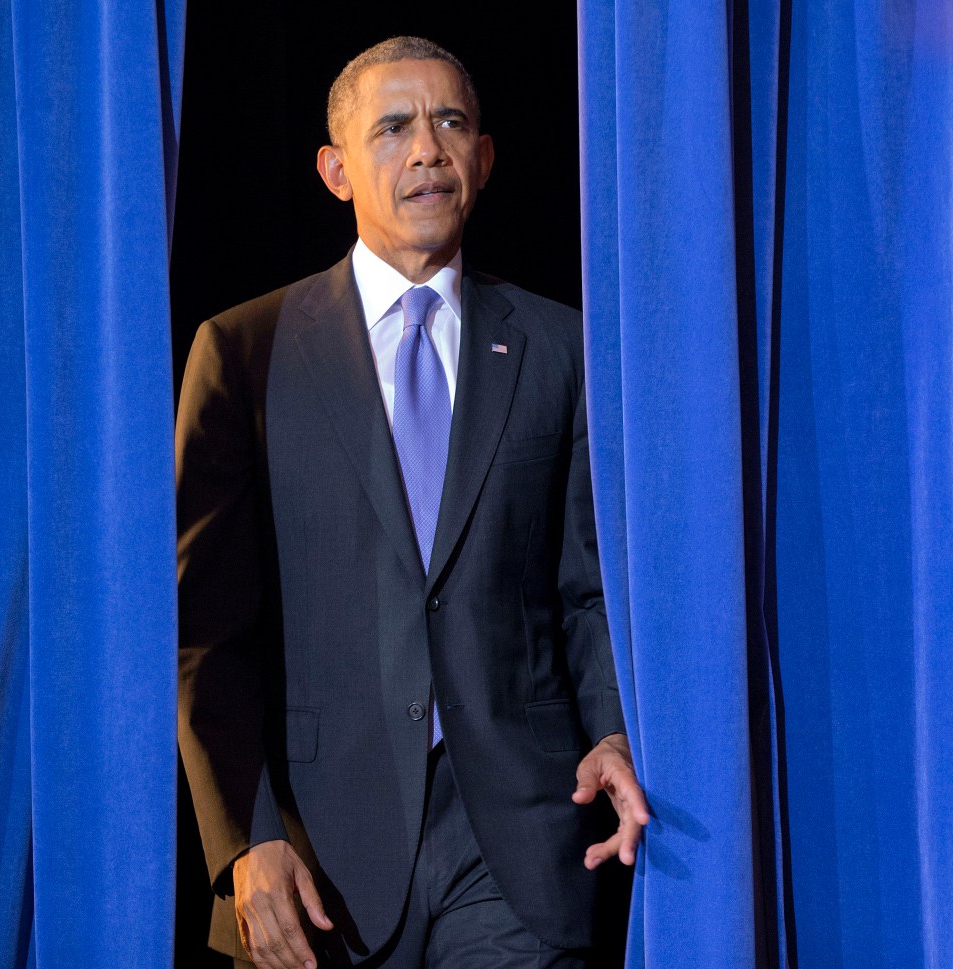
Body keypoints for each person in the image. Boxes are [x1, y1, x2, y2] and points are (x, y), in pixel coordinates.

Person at [176, 36, 649, 969]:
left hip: (516, 841)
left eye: (451, 123)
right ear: (336, 170)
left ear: (484, 159)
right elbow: (202, 630)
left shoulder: (564, 348)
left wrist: (610, 725)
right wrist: (243, 838)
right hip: (315, 854)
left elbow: (589, 588)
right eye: (392, 127)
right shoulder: (244, 350)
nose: (427, 148)